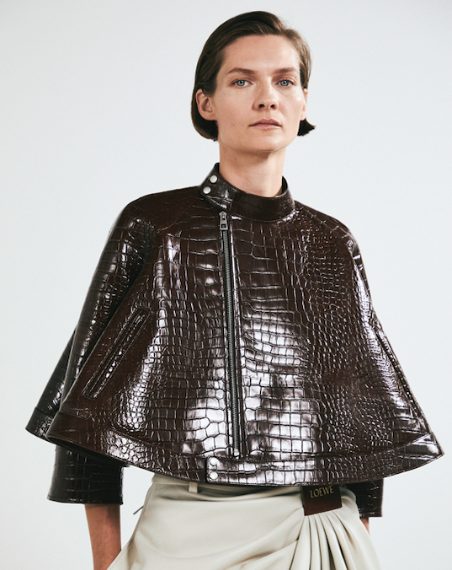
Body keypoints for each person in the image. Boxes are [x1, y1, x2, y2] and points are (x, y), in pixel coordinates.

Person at [26, 10, 444, 570]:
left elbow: (362, 417)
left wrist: (354, 540)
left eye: (285, 81)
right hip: (189, 533)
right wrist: (106, 562)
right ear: (206, 103)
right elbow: (85, 415)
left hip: (322, 527)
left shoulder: (331, 242)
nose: (267, 97)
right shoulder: (157, 227)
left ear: (303, 103)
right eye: (242, 80)